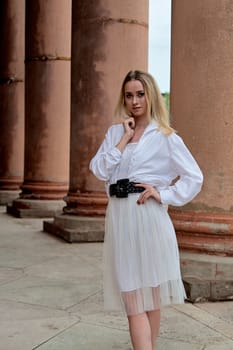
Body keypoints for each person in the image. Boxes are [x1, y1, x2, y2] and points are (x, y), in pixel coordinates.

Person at [89, 70, 203, 350]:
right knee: (134, 297)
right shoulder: (116, 132)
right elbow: (99, 169)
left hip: (148, 218)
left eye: (140, 94)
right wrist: (124, 139)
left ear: (150, 95)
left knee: (146, 300)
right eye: (129, 95)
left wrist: (163, 193)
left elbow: (194, 177)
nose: (135, 101)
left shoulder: (165, 137)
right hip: (119, 219)